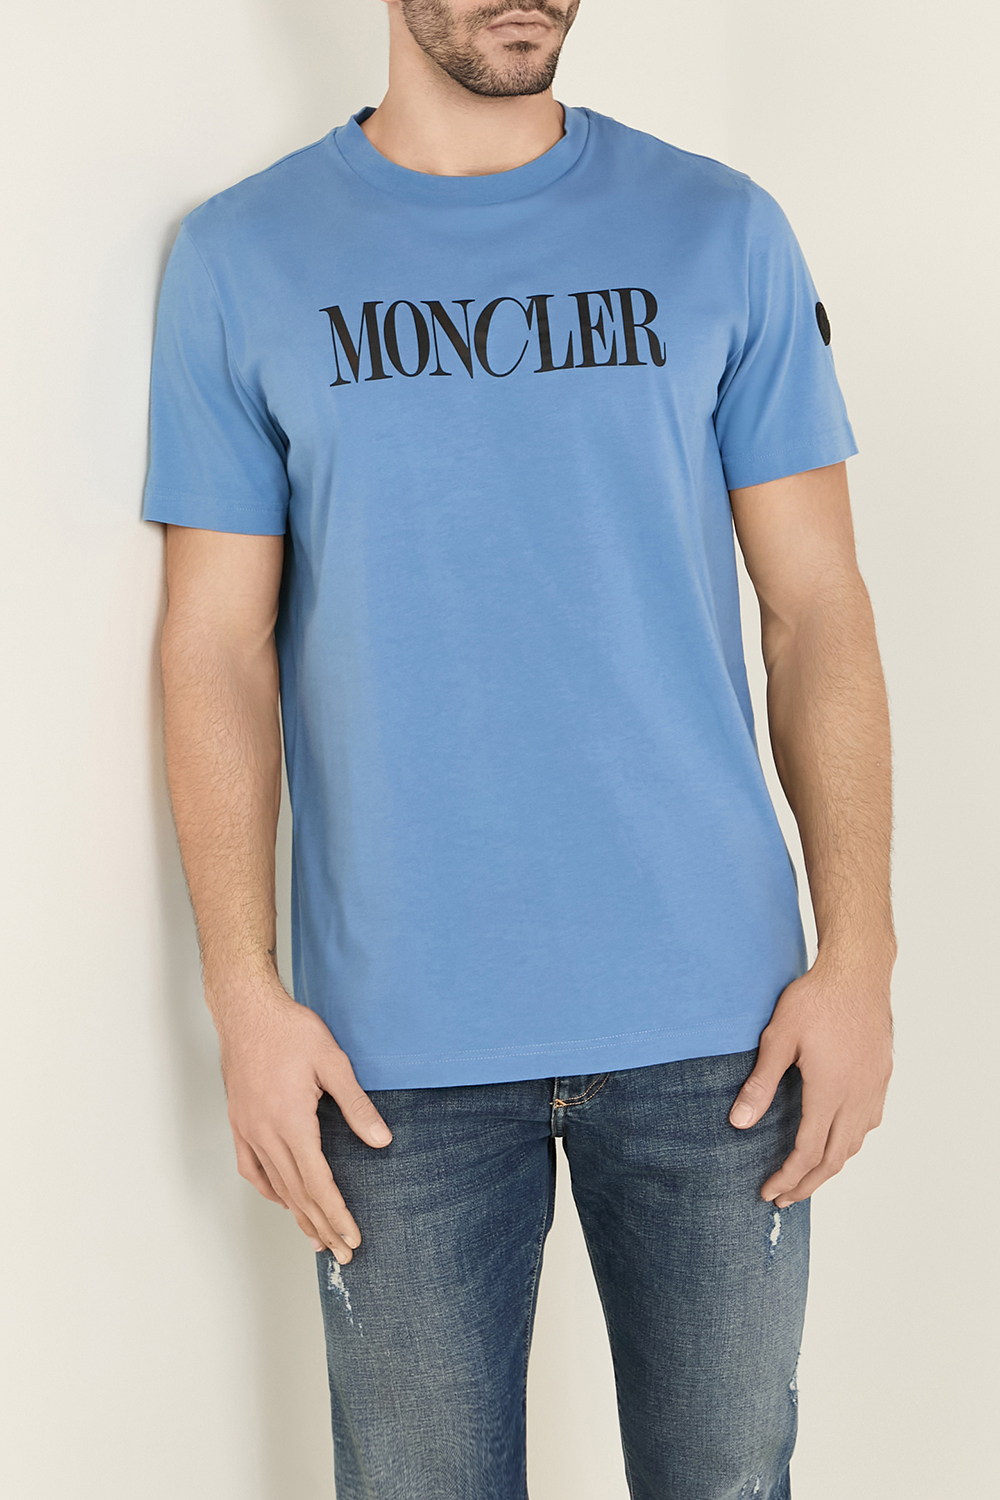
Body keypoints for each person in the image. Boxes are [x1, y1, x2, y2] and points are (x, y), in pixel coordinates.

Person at [142, 2, 896, 1496]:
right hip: (389, 1056)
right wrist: (243, 994)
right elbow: (214, 650)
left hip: (720, 1037)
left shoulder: (723, 232)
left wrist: (861, 956)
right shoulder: (243, 259)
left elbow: (817, 610)